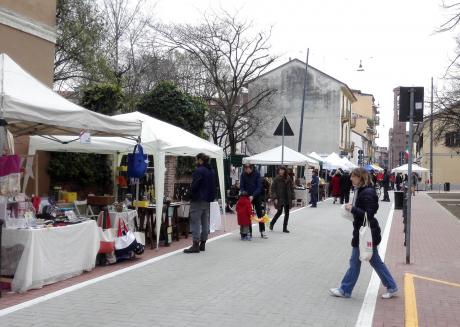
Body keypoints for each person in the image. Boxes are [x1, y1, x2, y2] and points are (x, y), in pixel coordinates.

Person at [329, 167, 398, 299]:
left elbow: (368, 214)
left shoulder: (367, 192)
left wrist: (353, 208)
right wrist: (353, 207)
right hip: (364, 232)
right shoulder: (362, 191)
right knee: (367, 261)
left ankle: (345, 290)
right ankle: (390, 286)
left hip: (366, 232)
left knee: (360, 261)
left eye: (353, 176)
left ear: (360, 177)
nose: (350, 178)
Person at [184, 153, 216, 254]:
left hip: (198, 199)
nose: (195, 162)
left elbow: (195, 185)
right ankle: (203, 243)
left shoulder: (199, 170)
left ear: (200, 160)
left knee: (195, 221)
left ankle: (195, 244)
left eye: (196, 160)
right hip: (207, 200)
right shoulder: (211, 171)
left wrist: (188, 194)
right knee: (205, 221)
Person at [240, 164, 268, 239]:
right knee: (248, 214)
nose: (246, 171)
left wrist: (253, 195)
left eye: (247, 169)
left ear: (251, 168)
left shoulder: (257, 174)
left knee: (260, 213)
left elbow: (259, 187)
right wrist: (243, 192)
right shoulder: (243, 174)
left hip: (256, 196)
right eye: (245, 169)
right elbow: (242, 186)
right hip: (247, 197)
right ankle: (249, 232)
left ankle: (262, 231)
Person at [269, 166, 295, 233]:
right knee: (279, 212)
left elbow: (292, 188)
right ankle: (272, 223)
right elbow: (272, 189)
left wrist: (293, 197)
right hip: (279, 198)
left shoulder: (288, 178)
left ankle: (284, 228)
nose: (281, 171)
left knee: (287, 213)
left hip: (287, 198)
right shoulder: (276, 179)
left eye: (282, 170)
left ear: (284, 171)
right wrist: (275, 198)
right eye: (280, 170)